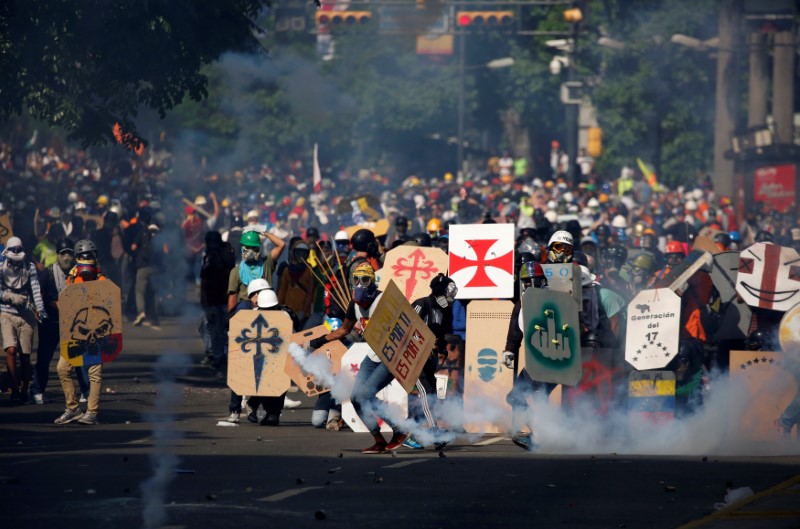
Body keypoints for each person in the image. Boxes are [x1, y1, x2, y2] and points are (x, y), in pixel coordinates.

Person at [308, 263, 407, 453]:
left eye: (365, 280)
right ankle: (378, 440)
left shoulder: (384, 300)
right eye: (356, 280)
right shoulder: (354, 305)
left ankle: (399, 429)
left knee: (365, 395)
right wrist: (318, 341)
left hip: (390, 355)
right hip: (372, 354)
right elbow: (344, 330)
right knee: (355, 398)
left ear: (372, 281)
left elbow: (404, 322)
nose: (360, 284)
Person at [54, 240, 108, 425]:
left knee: (94, 372)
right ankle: (73, 408)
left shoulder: (102, 281)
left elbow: (110, 308)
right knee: (62, 368)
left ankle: (92, 412)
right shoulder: (71, 278)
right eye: (82, 256)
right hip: (76, 333)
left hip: (94, 334)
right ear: (77, 259)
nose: (85, 259)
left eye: (89, 256)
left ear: (95, 257)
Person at [30, 238, 89, 404]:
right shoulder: (48, 273)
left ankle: (86, 391)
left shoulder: (79, 275)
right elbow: (36, 294)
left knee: (78, 359)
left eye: (70, 254)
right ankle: (36, 390)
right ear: (57, 255)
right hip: (51, 324)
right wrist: (49, 304)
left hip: (72, 325)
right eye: (63, 254)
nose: (67, 258)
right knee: (44, 358)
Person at [408, 274, 458, 449]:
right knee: (426, 393)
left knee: (432, 395)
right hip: (414, 359)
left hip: (430, 359)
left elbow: (444, 334)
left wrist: (442, 351)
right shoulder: (421, 304)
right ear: (438, 292)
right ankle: (434, 431)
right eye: (446, 295)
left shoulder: (445, 311)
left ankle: (414, 434)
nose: (449, 300)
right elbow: (407, 327)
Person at [0, 236, 47, 402]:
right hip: (6, 313)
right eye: (14, 250)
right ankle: (14, 389)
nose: (16, 253)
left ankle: (25, 390)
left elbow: (35, 290)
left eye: (19, 250)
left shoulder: (30, 268)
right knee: (11, 350)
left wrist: (40, 310)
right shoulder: (1, 268)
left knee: (25, 354)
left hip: (26, 314)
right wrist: (9, 296)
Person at [245, 288, 300, 426]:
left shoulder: (284, 315)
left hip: (279, 354)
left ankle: (273, 413)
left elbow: (292, 335)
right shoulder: (252, 315)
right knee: (261, 382)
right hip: (259, 355)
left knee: (280, 384)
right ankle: (255, 403)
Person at [199, 231, 235, 373]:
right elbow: (204, 279)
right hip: (214, 299)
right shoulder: (210, 256)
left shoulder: (221, 255)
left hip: (221, 299)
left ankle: (221, 357)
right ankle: (218, 356)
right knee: (212, 329)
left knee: (218, 330)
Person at [132, 219, 164, 328]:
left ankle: (141, 312)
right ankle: (154, 316)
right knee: (154, 292)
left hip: (143, 266)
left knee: (140, 291)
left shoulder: (143, 232)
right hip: (156, 268)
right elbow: (166, 250)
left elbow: (134, 247)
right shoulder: (161, 234)